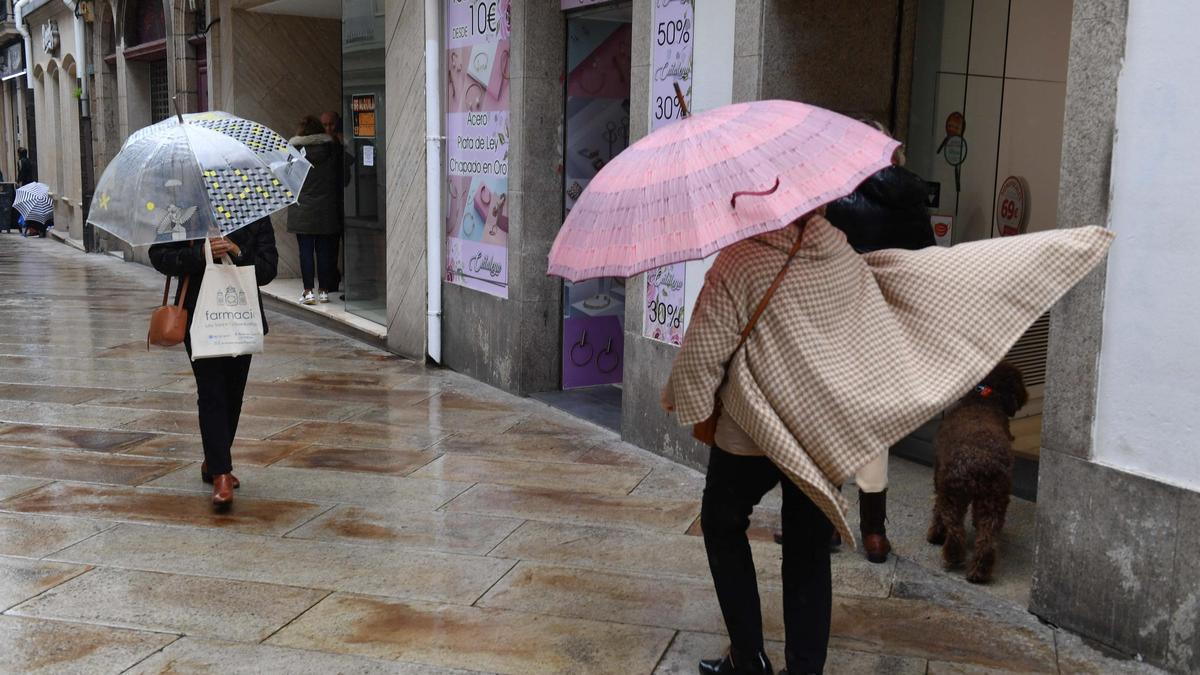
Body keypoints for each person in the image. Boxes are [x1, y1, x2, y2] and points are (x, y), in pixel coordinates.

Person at [662, 204, 1111, 674]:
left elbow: (703, 354)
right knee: (808, 546)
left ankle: (748, 660)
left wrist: (688, 404)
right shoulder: (834, 247)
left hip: (750, 431)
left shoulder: (738, 260)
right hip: (822, 426)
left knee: (721, 521)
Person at [808, 122, 935, 563]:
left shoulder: (834, 199)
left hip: (838, 317)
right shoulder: (912, 201)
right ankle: (874, 532)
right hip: (884, 324)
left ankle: (825, 523)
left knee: (828, 418)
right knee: (873, 426)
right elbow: (923, 267)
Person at [148, 218, 277, 506]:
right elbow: (160, 257)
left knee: (234, 395)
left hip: (241, 316)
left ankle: (213, 459)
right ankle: (221, 473)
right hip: (199, 318)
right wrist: (201, 252)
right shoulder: (183, 208)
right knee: (211, 393)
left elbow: (269, 269)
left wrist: (237, 251)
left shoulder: (252, 209)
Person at [287, 116, 342, 305]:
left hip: (302, 209)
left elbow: (289, 178)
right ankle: (324, 290)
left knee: (306, 251)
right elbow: (343, 176)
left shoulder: (294, 151)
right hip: (327, 208)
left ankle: (308, 291)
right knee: (325, 252)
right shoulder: (332, 150)